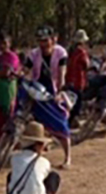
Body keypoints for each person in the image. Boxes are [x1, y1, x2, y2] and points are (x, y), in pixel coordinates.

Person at [24, 27, 72, 168]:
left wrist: (60, 92)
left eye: (45, 40)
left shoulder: (60, 53)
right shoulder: (34, 54)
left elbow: (61, 74)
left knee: (61, 123)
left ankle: (67, 157)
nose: (43, 44)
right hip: (37, 91)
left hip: (53, 92)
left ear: (53, 39)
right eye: (40, 41)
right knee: (38, 122)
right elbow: (26, 69)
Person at [0, 33, 21, 150]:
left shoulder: (13, 57)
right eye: (1, 43)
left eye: (5, 43)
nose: (2, 46)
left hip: (9, 92)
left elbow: (7, 72)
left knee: (9, 116)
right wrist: (2, 73)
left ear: (9, 44)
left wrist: (1, 73)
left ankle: (10, 145)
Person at [66, 29, 90, 127]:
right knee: (77, 102)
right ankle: (72, 120)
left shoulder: (70, 51)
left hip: (69, 79)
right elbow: (87, 65)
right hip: (78, 80)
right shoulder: (81, 52)